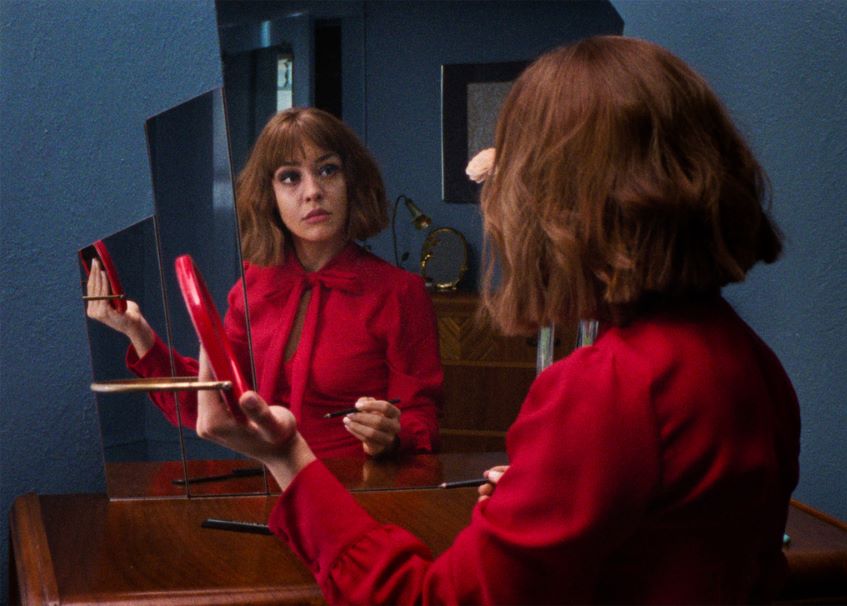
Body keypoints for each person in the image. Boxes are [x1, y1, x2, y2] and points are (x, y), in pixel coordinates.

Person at [193, 35, 800, 604]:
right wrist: (546, 490)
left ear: (561, 202)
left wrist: (287, 459)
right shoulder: (750, 358)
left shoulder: (603, 390)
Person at [86, 108, 443, 459]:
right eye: (290, 177)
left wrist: (391, 436)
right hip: (272, 491)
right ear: (268, 194)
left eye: (327, 170)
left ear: (351, 181)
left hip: (360, 493)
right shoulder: (252, 287)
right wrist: (138, 332)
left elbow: (422, 420)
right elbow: (210, 404)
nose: (313, 191)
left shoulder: (399, 293)